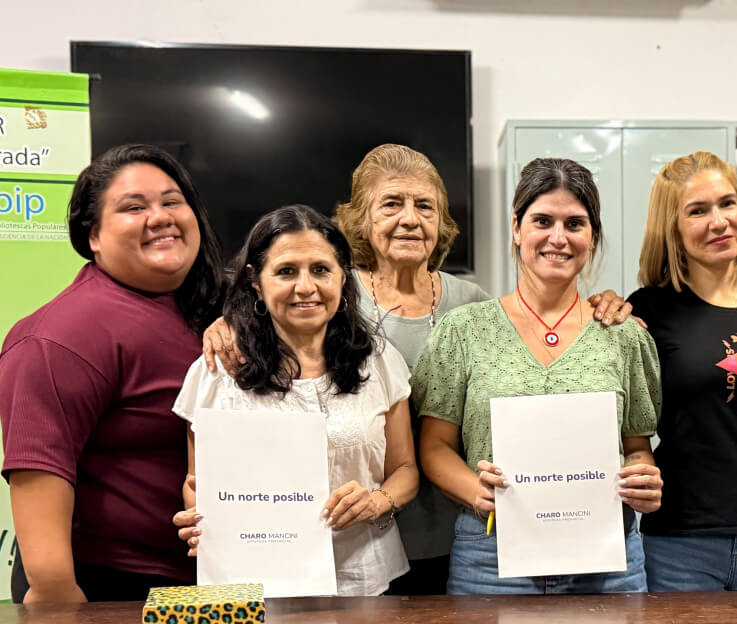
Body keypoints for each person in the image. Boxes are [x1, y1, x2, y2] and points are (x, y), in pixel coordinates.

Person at [202, 144, 634, 595]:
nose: (410, 219)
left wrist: (606, 306)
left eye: (425, 206)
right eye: (391, 204)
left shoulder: (473, 305)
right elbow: (264, 316)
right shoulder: (323, 293)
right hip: (344, 537)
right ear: (361, 218)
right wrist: (228, 325)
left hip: (467, 532)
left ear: (441, 220)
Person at [412, 157, 663, 594]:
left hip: (605, 562)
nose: (558, 238)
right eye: (542, 220)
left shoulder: (625, 337)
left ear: (593, 236)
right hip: (492, 557)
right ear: (516, 229)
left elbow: (637, 448)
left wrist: (643, 477)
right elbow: (434, 446)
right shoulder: (464, 331)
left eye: (575, 224)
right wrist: (476, 491)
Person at [0, 144, 224, 603]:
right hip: (112, 588)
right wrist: (57, 593)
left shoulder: (216, 309)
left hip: (213, 583)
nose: (159, 217)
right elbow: (40, 469)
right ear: (94, 235)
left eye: (172, 201)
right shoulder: (60, 335)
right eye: (134, 207)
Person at [172, 204, 419, 596]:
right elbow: (198, 485)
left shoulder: (379, 360)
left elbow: (405, 469)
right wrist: (201, 518)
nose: (306, 287)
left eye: (321, 270)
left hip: (364, 581)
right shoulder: (214, 372)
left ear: (342, 277)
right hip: (252, 586)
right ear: (256, 281)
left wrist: (376, 502)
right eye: (286, 271)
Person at [628, 151, 737, 592]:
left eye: (727, 203)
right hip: (681, 543)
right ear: (673, 230)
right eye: (697, 211)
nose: (718, 221)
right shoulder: (646, 310)